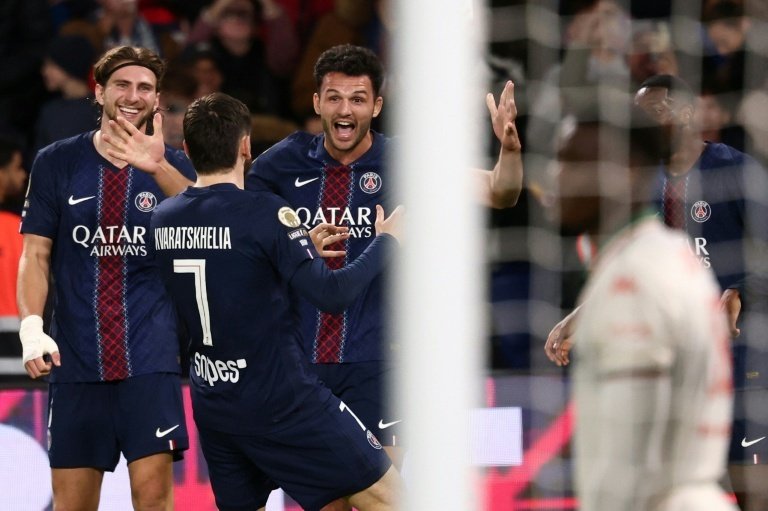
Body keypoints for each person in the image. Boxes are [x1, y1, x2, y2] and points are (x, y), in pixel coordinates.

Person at [246, 43, 523, 483]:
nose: (345, 109)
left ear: (376, 105)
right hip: (303, 362)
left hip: (380, 359)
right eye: (334, 97)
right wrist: (292, 247)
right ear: (317, 102)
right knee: (329, 498)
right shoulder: (281, 163)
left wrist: (508, 150)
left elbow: (498, 192)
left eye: (357, 99)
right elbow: (237, 229)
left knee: (383, 491)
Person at [151, 91, 403, 511]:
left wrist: (297, 253)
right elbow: (332, 295)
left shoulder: (163, 219)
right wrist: (386, 242)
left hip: (215, 405)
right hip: (284, 402)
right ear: (246, 146)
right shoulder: (265, 212)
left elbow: (232, 277)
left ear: (187, 149)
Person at [545, 74, 768, 511]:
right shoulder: (642, 189)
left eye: (653, 114)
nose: (641, 127)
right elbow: (634, 265)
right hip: (673, 360)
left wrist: (742, 290)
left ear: (687, 112)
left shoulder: (735, 169)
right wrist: (580, 315)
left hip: (746, 359)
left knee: (753, 486)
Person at [17, 45, 195, 510]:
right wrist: (31, 327)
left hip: (150, 361)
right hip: (75, 363)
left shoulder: (177, 167)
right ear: (98, 91)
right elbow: (35, 253)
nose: (133, 96)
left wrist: (159, 167)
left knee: (154, 501)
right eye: (122, 84)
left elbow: (213, 226)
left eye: (145, 88)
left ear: (157, 100)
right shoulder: (56, 162)